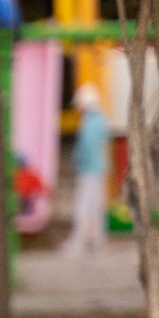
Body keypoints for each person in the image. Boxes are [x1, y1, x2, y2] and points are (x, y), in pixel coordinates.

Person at [62, 82, 110, 256]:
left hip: (89, 170)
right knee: (96, 205)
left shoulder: (89, 122)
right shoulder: (100, 119)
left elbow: (87, 147)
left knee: (83, 206)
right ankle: (95, 239)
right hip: (98, 169)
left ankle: (80, 241)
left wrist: (79, 161)